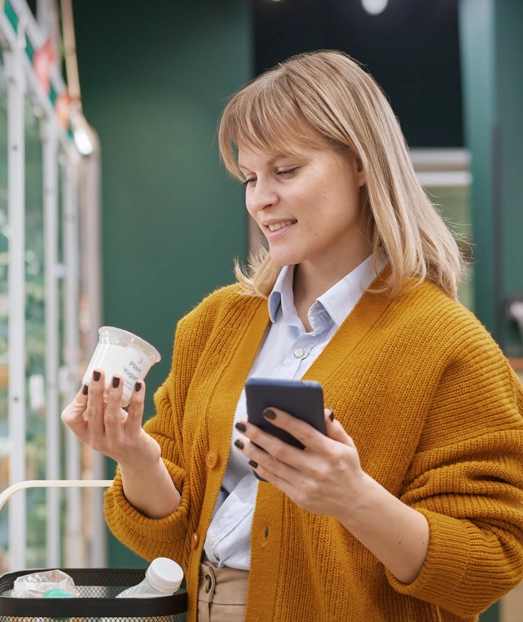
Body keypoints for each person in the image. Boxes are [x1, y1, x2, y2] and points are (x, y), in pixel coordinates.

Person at [62, 50, 523, 622]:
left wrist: (356, 500)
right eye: (250, 177)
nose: (260, 199)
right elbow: (171, 538)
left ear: (362, 163)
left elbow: (492, 564)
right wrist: (134, 455)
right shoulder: (215, 324)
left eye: (285, 171)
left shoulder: (452, 346)